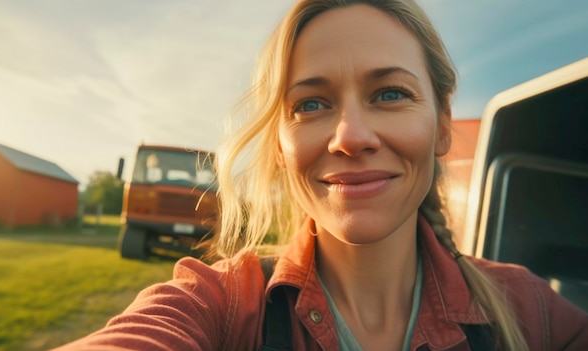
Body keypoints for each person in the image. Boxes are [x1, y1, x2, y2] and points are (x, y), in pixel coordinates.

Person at [53, 0, 588, 350]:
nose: (350, 136)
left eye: (390, 94)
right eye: (310, 104)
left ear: (443, 125)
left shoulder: (528, 309)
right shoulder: (220, 308)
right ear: (280, 146)